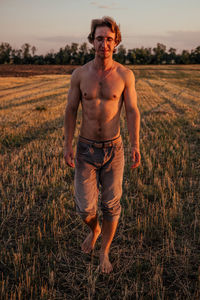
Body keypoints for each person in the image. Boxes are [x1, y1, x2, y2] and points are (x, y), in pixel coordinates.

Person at [64, 16, 140, 274]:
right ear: (92, 41)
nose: (104, 44)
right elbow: (71, 110)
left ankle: (104, 250)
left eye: (109, 39)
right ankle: (94, 229)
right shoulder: (80, 74)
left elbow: (132, 110)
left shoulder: (124, 75)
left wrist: (135, 143)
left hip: (114, 149)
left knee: (111, 205)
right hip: (86, 149)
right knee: (85, 208)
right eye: (99, 39)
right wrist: (67, 145)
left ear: (115, 42)